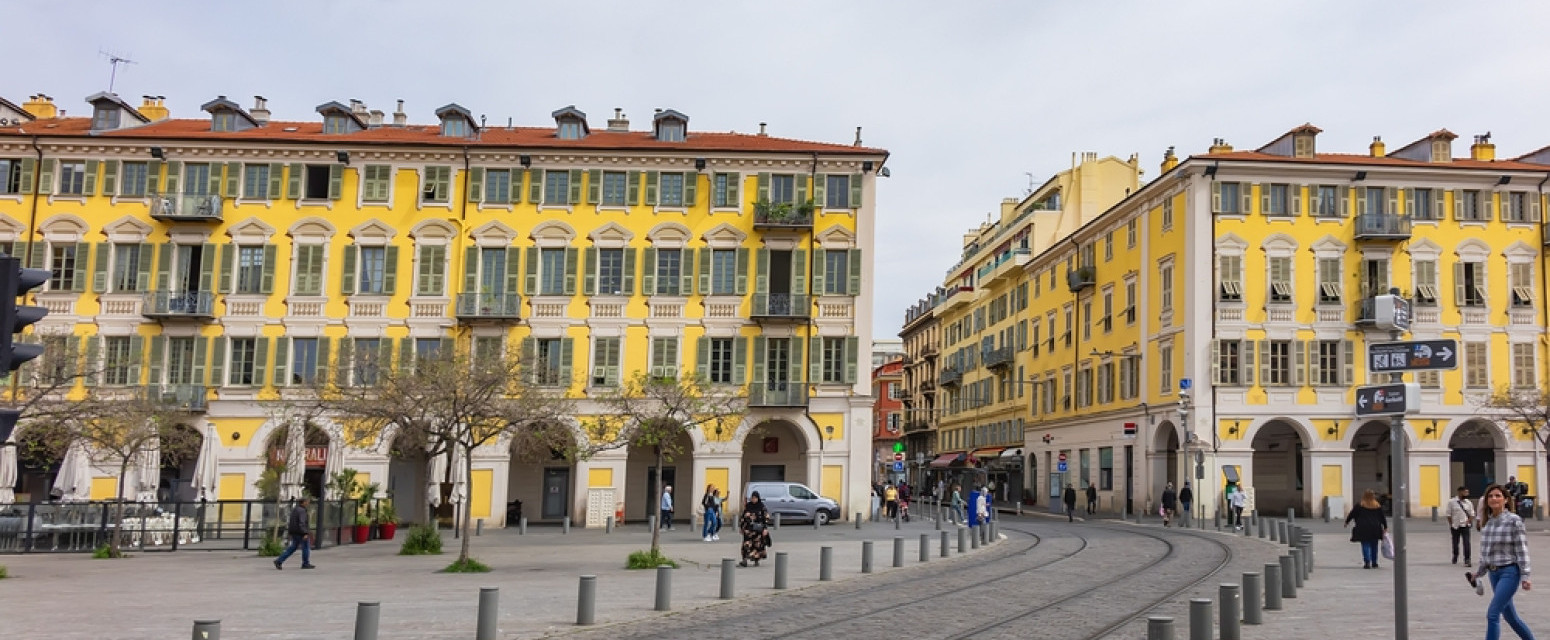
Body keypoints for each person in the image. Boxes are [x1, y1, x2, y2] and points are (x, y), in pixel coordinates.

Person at [1470, 483, 1536, 640]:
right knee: (1510, 617)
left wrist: (1525, 576)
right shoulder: (1487, 523)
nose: (1494, 499)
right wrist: (1478, 573)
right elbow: (1486, 552)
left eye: (1498, 496)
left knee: (1493, 614)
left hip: (1509, 572)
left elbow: (1522, 549)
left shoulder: (1514, 520)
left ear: (1506, 500)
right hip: (1494, 573)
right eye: (1490, 496)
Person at [1345, 489, 1388, 569]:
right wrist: (1385, 526)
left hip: (1363, 527)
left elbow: (1352, 514)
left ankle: (1367, 562)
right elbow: (1382, 517)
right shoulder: (1377, 505)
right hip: (1375, 527)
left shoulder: (1360, 505)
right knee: (1374, 545)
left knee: (1365, 544)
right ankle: (1374, 562)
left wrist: (1347, 522)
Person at [273, 497, 316, 570]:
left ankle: (279, 560)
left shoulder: (295, 510)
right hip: (301, 532)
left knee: (293, 547)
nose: (308, 503)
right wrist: (305, 533)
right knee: (306, 547)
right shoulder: (302, 511)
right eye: (307, 501)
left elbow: (292, 522)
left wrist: (291, 532)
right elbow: (302, 523)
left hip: (294, 532)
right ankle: (305, 563)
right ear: (303, 502)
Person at [738, 491, 772, 567]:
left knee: (757, 545)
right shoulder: (748, 506)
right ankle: (744, 560)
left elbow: (766, 518)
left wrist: (765, 528)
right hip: (748, 529)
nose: (753, 499)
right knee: (746, 544)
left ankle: (756, 560)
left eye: (755, 498)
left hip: (758, 529)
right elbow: (743, 517)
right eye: (752, 498)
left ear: (758, 498)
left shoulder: (761, 506)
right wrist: (741, 527)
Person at [1446, 485, 1476, 565]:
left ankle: (1467, 559)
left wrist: (1468, 521)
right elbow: (1448, 514)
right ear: (1460, 492)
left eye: (1467, 492)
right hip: (1455, 525)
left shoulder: (1468, 503)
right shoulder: (1452, 502)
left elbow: (1472, 514)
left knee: (1466, 542)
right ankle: (1455, 555)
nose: (1467, 494)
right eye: (1465, 492)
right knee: (1455, 543)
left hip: (1465, 525)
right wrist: (1451, 524)